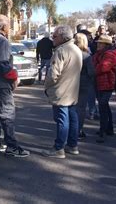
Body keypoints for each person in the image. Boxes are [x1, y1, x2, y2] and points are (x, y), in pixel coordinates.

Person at [0, 15, 30, 157]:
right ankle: (12, 146)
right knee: (7, 115)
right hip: (0, 85)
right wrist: (14, 78)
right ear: (3, 27)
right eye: (9, 25)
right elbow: (3, 63)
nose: (10, 28)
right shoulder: (2, 41)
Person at [41, 26, 83, 159]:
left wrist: (46, 86)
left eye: (55, 36)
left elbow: (53, 74)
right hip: (72, 89)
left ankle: (59, 148)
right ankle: (72, 145)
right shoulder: (76, 49)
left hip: (61, 90)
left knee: (62, 119)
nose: (53, 39)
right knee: (72, 117)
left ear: (62, 37)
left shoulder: (61, 50)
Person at [93, 34, 116, 143]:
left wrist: (93, 69)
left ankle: (103, 131)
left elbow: (103, 67)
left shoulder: (109, 55)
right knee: (105, 107)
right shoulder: (100, 54)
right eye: (98, 43)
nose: (98, 44)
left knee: (103, 108)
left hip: (106, 83)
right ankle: (109, 129)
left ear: (106, 45)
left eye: (100, 43)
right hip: (100, 83)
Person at [74, 33, 95, 139]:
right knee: (81, 108)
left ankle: (71, 129)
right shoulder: (86, 56)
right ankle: (78, 131)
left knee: (71, 108)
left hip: (70, 83)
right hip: (83, 83)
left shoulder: (70, 53)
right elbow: (91, 72)